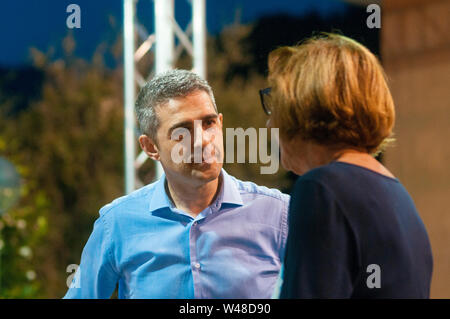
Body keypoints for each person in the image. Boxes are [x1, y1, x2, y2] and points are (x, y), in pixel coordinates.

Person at [64, 69, 289, 299]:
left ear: (220, 123)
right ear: (150, 147)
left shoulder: (280, 214)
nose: (202, 141)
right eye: (182, 132)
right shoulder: (116, 224)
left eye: (209, 123)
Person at [261, 33, 433, 298]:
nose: (269, 124)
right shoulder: (399, 197)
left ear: (304, 106)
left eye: (277, 104)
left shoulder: (322, 189)